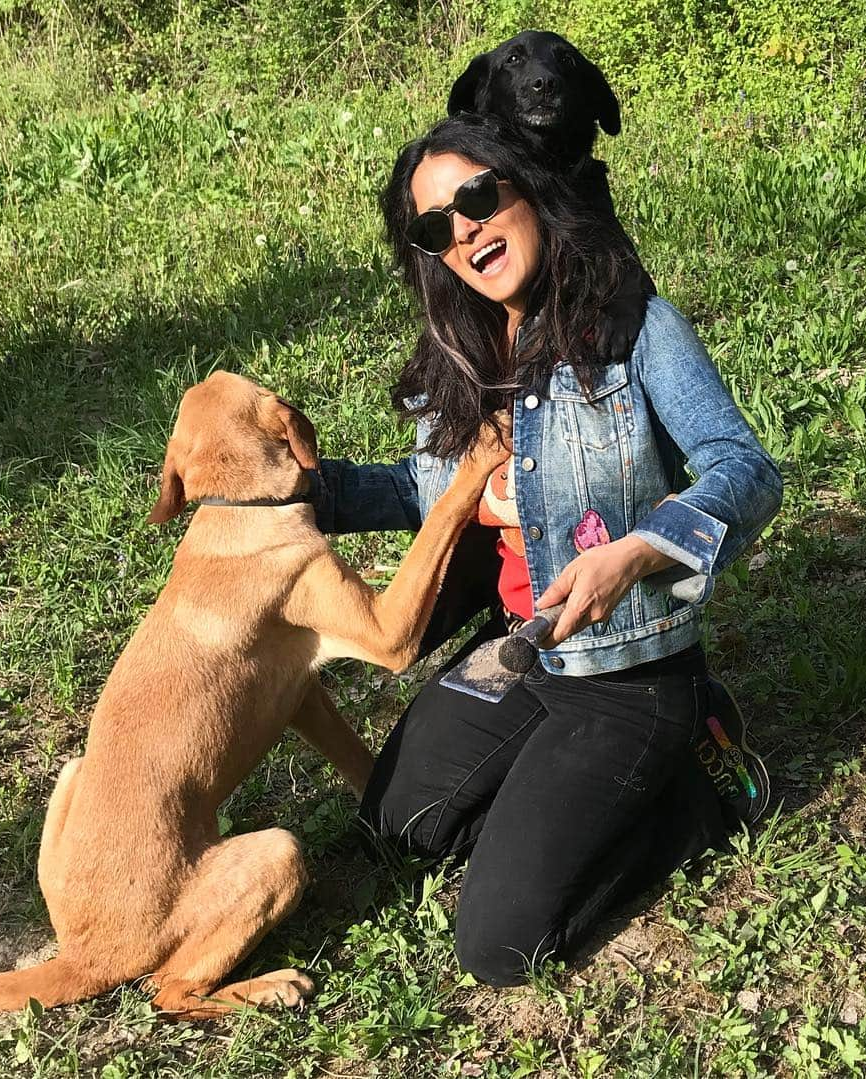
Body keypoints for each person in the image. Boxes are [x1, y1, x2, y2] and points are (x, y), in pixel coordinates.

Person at [313, 113, 783, 986]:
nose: (464, 229)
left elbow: (744, 469)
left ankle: (690, 800)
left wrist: (642, 549)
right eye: (435, 226)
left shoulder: (634, 327)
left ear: (523, 186)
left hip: (626, 680)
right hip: (519, 652)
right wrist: (299, 490)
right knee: (396, 821)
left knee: (499, 943)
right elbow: (421, 495)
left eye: (478, 198)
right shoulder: (459, 359)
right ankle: (578, 793)